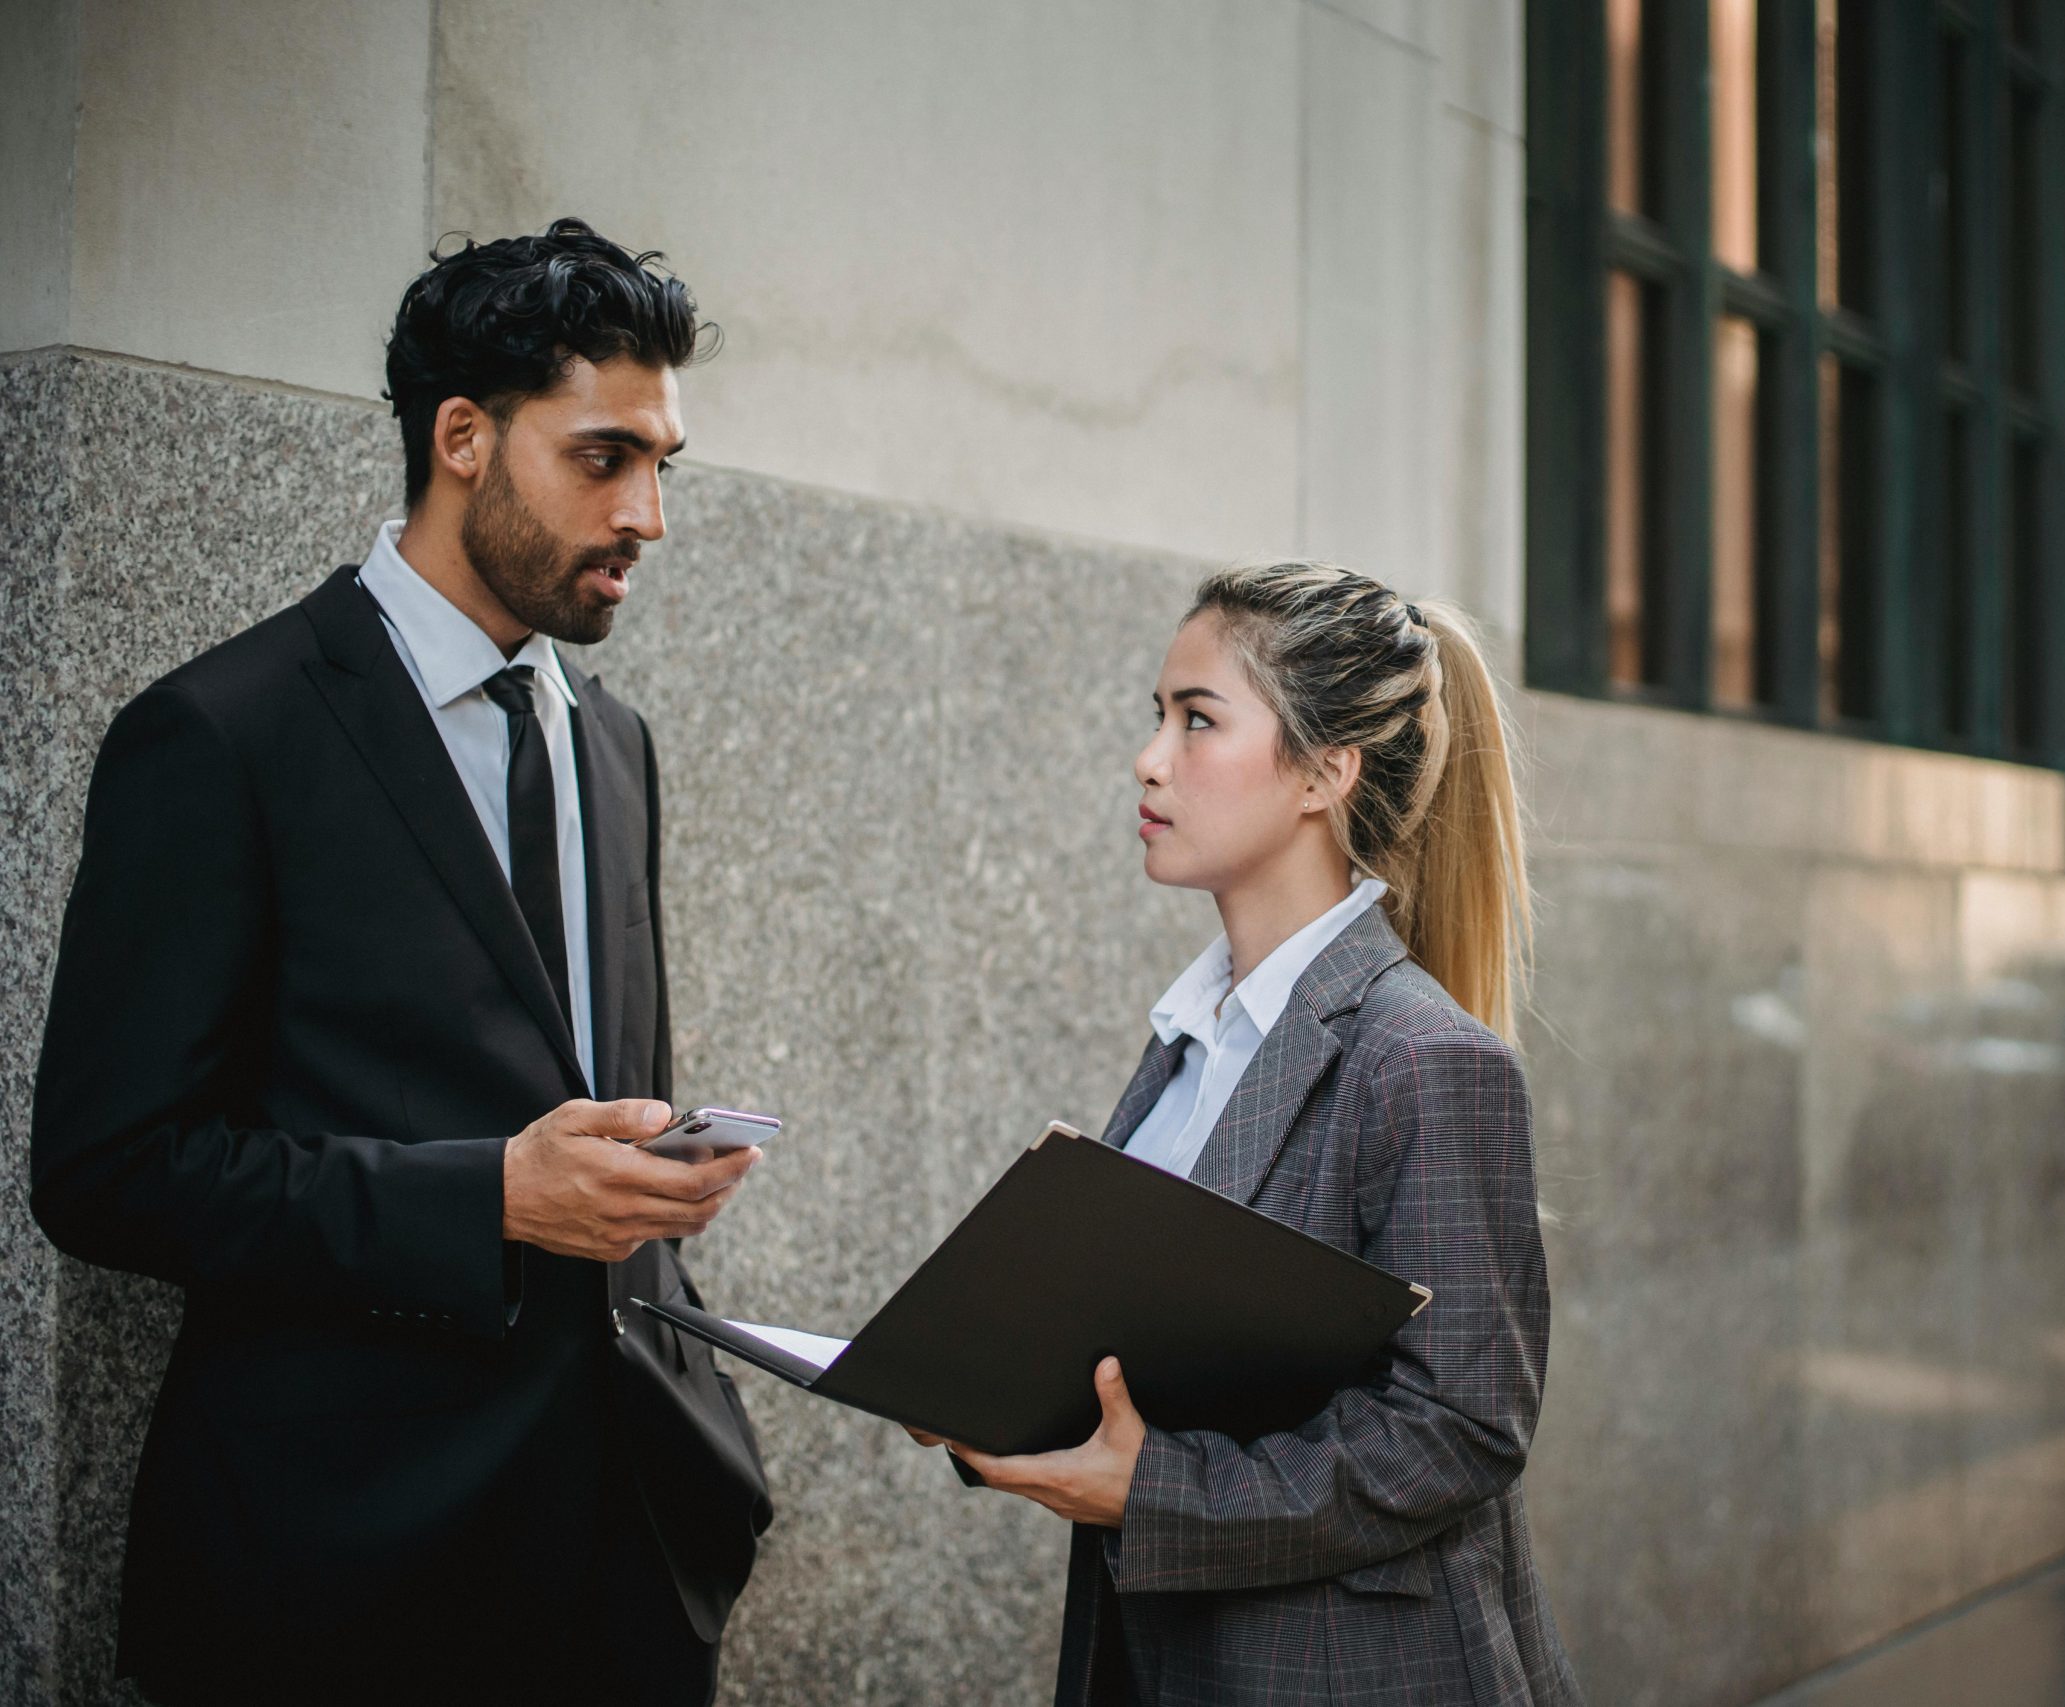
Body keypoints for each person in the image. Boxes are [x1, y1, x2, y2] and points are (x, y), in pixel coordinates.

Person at [30, 219, 772, 1706]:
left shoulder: (613, 743)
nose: (649, 515)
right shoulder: (223, 734)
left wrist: (651, 1175)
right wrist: (491, 1193)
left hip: (626, 1564)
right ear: (463, 440)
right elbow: (107, 1168)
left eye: (662, 466)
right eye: (605, 457)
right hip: (342, 1577)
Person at [922, 563, 1585, 1705]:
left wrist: (1156, 1491)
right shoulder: (1194, 1034)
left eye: (1198, 721)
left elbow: (1461, 1433)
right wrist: (996, 1384)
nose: (1149, 759)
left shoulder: (1423, 1059)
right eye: (1157, 718)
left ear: (1326, 772)